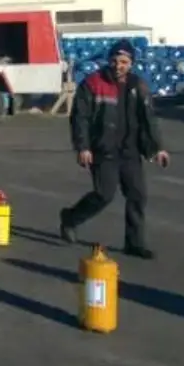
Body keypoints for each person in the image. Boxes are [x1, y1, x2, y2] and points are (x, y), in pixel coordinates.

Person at [60, 40, 170, 259]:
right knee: (104, 194)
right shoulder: (93, 83)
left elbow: (148, 119)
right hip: (104, 150)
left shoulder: (138, 86)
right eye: (114, 60)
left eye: (123, 62)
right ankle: (71, 217)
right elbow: (79, 118)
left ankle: (134, 243)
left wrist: (158, 148)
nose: (118, 65)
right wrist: (83, 147)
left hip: (130, 151)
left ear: (131, 63)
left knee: (137, 195)